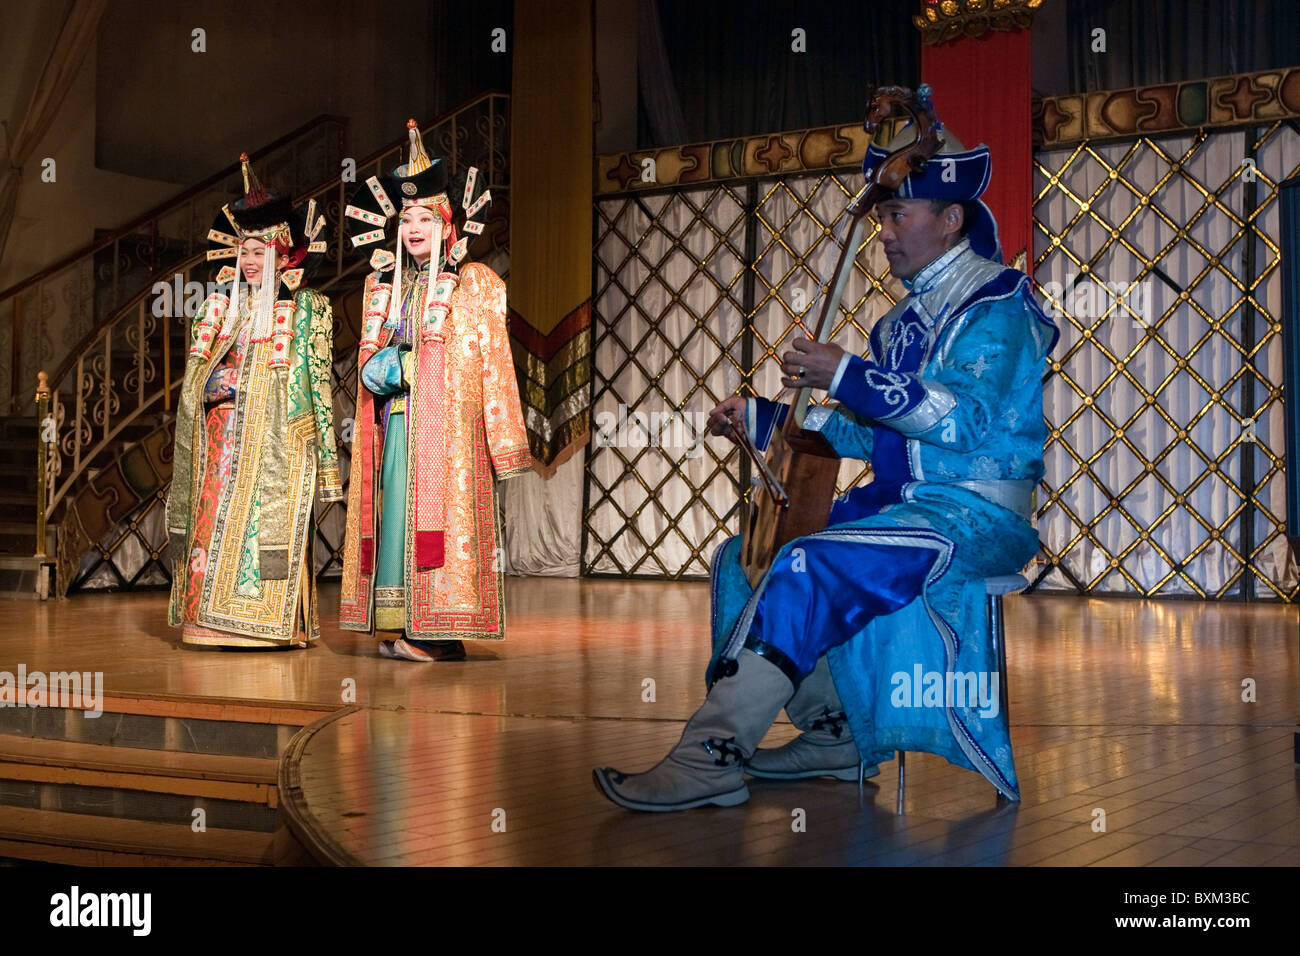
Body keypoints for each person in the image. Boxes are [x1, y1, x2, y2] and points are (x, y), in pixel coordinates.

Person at [594, 115, 1059, 811]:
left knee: (806, 562)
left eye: (898, 214)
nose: (885, 234)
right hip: (902, 509)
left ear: (951, 217)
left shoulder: (1000, 305)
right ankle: (834, 732)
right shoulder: (899, 326)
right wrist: (760, 417)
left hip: (975, 514)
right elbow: (872, 437)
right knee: (742, 556)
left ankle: (711, 755)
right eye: (883, 218)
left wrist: (847, 375)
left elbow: (968, 420)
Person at [338, 120, 531, 662]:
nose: (414, 228)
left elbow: (490, 363)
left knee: (440, 524)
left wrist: (504, 443)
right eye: (406, 219)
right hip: (397, 423)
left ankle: (439, 634)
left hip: (446, 433)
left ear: (447, 224)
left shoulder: (475, 283)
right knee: (396, 516)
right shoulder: (386, 289)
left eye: (425, 217)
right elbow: (369, 363)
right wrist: (392, 367)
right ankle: (407, 624)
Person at [166, 155, 341, 648]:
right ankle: (207, 619)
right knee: (214, 524)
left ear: (284, 257)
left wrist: (319, 450)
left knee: (263, 527)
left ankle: (266, 626)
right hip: (220, 444)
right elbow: (195, 376)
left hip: (275, 441)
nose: (248, 262)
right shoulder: (219, 308)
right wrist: (214, 385)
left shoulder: (308, 308)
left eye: (260, 252)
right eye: (244, 251)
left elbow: (317, 384)